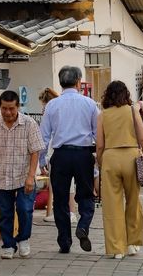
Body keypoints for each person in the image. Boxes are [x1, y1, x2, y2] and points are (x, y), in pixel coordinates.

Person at [40, 66, 98, 254]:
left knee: (60, 199)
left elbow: (44, 136)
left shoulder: (52, 105)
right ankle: (83, 225)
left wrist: (42, 161)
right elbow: (98, 133)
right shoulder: (89, 104)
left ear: (61, 82)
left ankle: (64, 241)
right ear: (78, 81)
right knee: (86, 195)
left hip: (61, 155)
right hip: (83, 154)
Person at [0, 91, 44, 259]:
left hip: (24, 176)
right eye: (4, 108)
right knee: (5, 213)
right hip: (3, 176)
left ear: (18, 107)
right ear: (0, 107)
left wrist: (31, 176)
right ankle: (8, 244)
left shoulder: (29, 124)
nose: (7, 112)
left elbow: (35, 151)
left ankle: (23, 239)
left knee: (24, 210)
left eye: (11, 109)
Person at [96, 81, 143, 259]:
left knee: (112, 206)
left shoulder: (102, 115)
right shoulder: (132, 110)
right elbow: (142, 137)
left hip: (110, 157)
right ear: (126, 94)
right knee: (133, 201)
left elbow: (100, 144)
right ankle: (133, 243)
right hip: (131, 157)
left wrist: (100, 162)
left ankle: (116, 248)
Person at [38, 88, 78, 224]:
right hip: (71, 148)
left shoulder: (50, 110)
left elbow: (44, 135)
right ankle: (69, 211)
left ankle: (65, 212)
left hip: (55, 149)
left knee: (58, 183)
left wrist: (41, 159)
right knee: (69, 183)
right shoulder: (65, 108)